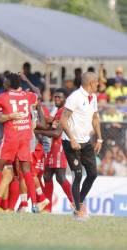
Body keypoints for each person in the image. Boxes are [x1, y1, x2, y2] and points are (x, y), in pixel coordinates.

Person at [0, 73, 41, 213]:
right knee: (26, 171)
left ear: (9, 84)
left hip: (11, 138)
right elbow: (37, 95)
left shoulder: (3, 97)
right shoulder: (28, 96)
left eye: (5, 81)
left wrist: (1, 116)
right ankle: (34, 204)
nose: (3, 83)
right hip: (25, 137)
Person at [60, 72, 102, 220]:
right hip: (70, 142)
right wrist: (72, 139)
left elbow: (95, 119)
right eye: (97, 82)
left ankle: (78, 202)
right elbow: (63, 120)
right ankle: (78, 211)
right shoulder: (75, 97)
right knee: (77, 175)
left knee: (92, 174)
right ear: (91, 82)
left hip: (85, 142)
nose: (99, 85)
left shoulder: (94, 98)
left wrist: (99, 139)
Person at [35, 88, 73, 212]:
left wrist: (36, 130)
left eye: (59, 97)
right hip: (53, 146)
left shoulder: (64, 112)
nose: (56, 99)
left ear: (65, 99)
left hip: (61, 145)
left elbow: (57, 133)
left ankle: (77, 205)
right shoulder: (58, 111)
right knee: (47, 176)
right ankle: (47, 209)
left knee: (61, 177)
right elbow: (49, 125)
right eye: (55, 97)